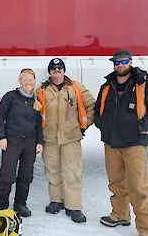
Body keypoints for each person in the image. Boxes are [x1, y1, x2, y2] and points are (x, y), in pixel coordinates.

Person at [94, 49, 148, 236]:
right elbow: (97, 110)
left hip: (134, 143)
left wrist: (143, 128)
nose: (120, 65)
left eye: (123, 61)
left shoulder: (142, 84)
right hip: (111, 143)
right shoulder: (107, 86)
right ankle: (120, 214)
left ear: (131, 61)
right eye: (116, 62)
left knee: (139, 187)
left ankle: (145, 228)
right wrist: (103, 126)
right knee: (116, 183)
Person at [35, 58, 95, 223]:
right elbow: (34, 110)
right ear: (49, 72)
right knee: (52, 171)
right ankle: (56, 201)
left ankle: (74, 206)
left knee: (72, 172)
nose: (57, 70)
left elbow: (91, 106)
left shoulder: (76, 88)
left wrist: (83, 126)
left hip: (71, 138)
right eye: (53, 68)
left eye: (60, 68)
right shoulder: (41, 90)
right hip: (49, 138)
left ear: (64, 70)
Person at [0, 68, 43, 217]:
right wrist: (2, 137)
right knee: (7, 175)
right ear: (20, 81)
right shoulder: (11, 97)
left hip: (30, 142)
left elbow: (39, 123)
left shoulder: (36, 100)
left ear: (34, 81)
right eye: (24, 80)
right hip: (12, 141)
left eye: (30, 80)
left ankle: (20, 204)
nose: (28, 82)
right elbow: (1, 116)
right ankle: (2, 206)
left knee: (26, 175)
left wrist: (39, 142)